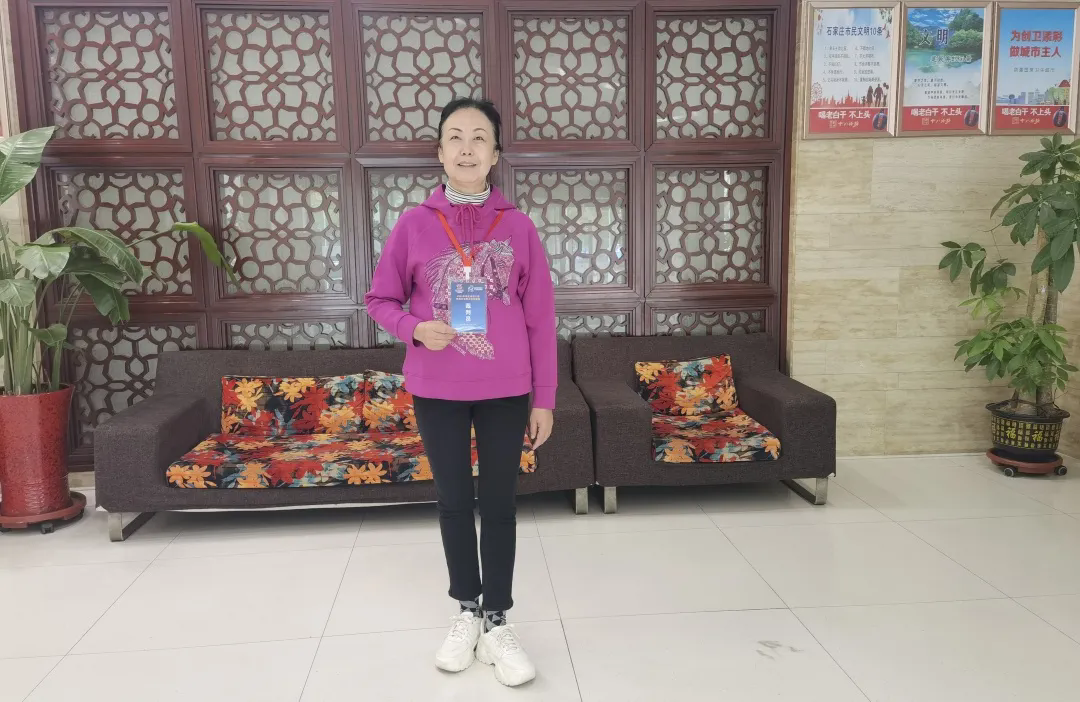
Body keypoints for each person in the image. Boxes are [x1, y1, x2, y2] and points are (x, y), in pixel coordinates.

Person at [364, 97, 557, 687]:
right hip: (437, 386)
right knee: (452, 502)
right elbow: (379, 300)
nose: (467, 147)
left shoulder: (519, 227)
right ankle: (466, 611)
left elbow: (541, 320)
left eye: (479, 137)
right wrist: (415, 328)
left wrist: (544, 398)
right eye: (455, 136)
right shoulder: (414, 224)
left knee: (499, 504)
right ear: (440, 151)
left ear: (496, 153)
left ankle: (497, 619)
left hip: (506, 389)